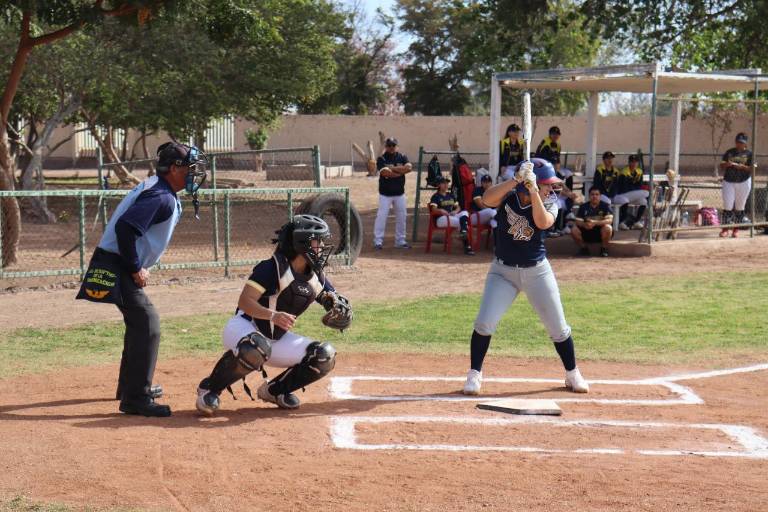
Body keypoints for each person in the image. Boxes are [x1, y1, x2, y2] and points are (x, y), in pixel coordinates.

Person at [76, 142, 207, 417]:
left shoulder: (159, 189)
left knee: (139, 324)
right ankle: (136, 397)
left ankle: (130, 387)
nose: (195, 174)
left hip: (115, 260)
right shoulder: (160, 196)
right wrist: (135, 267)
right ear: (174, 169)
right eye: (190, 169)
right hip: (118, 263)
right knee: (148, 323)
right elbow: (126, 229)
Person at [195, 215, 352, 416]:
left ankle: (275, 391)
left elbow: (332, 300)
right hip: (244, 328)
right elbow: (245, 301)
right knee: (257, 347)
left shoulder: (316, 276)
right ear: (302, 243)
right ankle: (210, 389)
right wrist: (272, 315)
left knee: (324, 355)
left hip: (275, 340)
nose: (321, 246)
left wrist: (339, 311)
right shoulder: (271, 268)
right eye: (317, 240)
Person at [462, 158, 589, 396]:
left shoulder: (551, 201)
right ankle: (474, 374)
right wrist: (515, 180)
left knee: (559, 328)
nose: (551, 188)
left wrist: (534, 191)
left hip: (537, 271)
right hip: (503, 272)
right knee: (484, 323)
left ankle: (573, 373)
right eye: (546, 184)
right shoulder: (508, 196)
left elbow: (543, 222)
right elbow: (486, 200)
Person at [374, 137, 412, 249]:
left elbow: (409, 168)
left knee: (402, 217)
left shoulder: (402, 156)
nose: (391, 147)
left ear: (397, 146)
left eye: (393, 145)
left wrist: (393, 168)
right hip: (385, 194)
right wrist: (400, 172)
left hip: (400, 194)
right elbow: (385, 173)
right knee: (382, 217)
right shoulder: (381, 158)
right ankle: (378, 241)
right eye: (389, 145)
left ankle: (400, 241)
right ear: (386, 147)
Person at [429, 176, 475, 255]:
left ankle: (463, 232)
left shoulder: (450, 195)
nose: (446, 185)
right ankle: (467, 246)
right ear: (439, 185)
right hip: (441, 219)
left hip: (451, 216)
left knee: (464, 213)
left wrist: (455, 211)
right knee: (462, 222)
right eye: (443, 183)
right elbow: (433, 209)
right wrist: (441, 210)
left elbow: (458, 207)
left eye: (447, 183)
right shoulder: (436, 196)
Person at [719, 132, 754, 238]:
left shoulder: (749, 154)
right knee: (728, 206)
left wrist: (742, 167)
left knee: (740, 207)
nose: (739, 144)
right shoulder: (729, 152)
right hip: (729, 181)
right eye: (738, 142)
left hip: (743, 181)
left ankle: (736, 230)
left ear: (745, 144)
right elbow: (721, 165)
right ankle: (725, 229)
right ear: (735, 142)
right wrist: (727, 164)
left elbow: (752, 168)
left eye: (741, 143)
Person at [571, 186, 613, 257]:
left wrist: (595, 223)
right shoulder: (583, 207)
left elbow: (609, 220)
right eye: (592, 194)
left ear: (600, 196)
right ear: (589, 196)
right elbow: (578, 221)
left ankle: (604, 249)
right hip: (587, 232)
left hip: (600, 233)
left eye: (597, 194)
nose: (594, 196)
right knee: (573, 229)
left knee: (608, 228)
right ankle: (584, 249)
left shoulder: (606, 206)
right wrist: (584, 225)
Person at [615, 154, 649, 230]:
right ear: (629, 162)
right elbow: (624, 187)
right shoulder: (625, 172)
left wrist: (634, 188)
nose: (634, 164)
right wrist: (635, 188)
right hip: (622, 194)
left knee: (643, 201)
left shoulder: (639, 171)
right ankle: (621, 222)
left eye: (636, 162)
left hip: (633, 194)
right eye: (632, 162)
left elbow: (639, 185)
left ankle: (636, 221)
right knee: (647, 193)